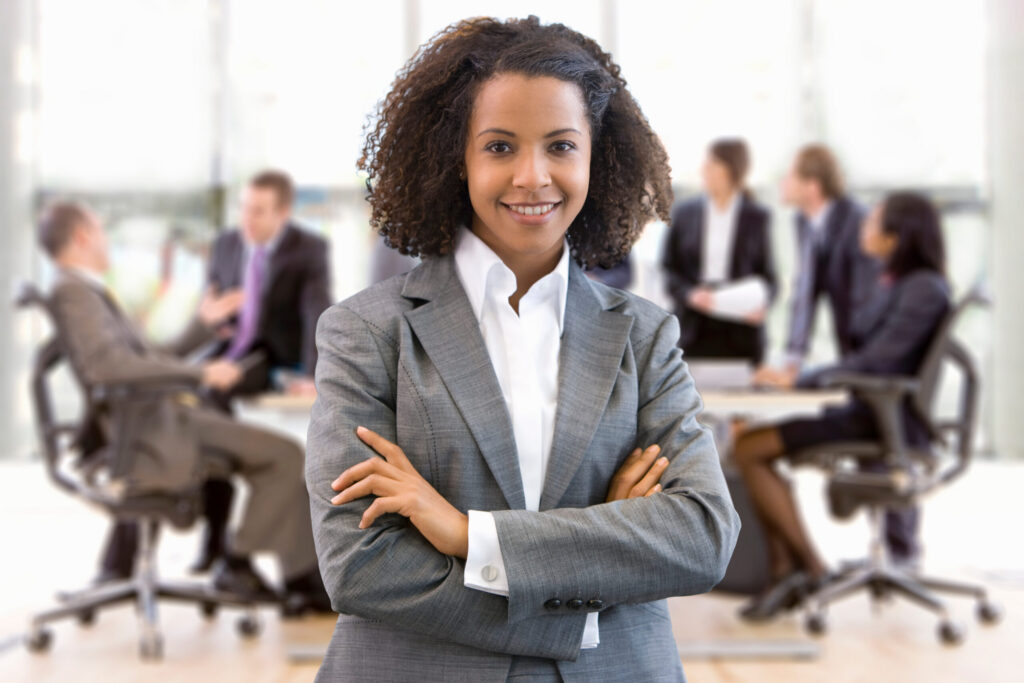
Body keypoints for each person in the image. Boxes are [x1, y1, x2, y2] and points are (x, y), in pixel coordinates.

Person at [305, 16, 740, 682]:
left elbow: (701, 536)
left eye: (561, 146)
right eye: (501, 146)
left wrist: (467, 535)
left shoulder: (645, 336)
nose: (533, 176)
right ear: (458, 158)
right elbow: (360, 565)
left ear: (597, 156)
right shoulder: (367, 332)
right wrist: (593, 571)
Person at [38, 201, 330, 613]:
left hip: (158, 420)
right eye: (100, 231)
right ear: (83, 237)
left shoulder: (85, 290)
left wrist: (202, 325)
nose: (106, 240)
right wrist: (201, 375)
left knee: (277, 454)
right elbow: (110, 366)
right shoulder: (73, 291)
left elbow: (149, 356)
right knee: (282, 455)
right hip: (154, 431)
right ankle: (241, 562)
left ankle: (293, 575)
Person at [732, 192, 950, 621]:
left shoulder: (923, 288)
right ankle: (785, 572)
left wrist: (800, 379)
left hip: (880, 423)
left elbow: (876, 361)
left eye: (873, 224)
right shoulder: (900, 282)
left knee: (750, 448)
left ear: (896, 236)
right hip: (866, 414)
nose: (863, 230)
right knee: (749, 443)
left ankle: (807, 570)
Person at [755, 144, 921, 566]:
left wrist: (838, 372)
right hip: (856, 356)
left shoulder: (858, 223)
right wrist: (793, 357)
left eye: (790, 175)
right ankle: (884, 552)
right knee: (877, 441)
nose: (783, 184)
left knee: (886, 438)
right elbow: (805, 293)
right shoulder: (805, 222)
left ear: (812, 185)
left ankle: (901, 551)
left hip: (874, 357)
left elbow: (872, 307)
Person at [193, 169, 332, 572]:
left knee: (216, 404)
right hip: (226, 346)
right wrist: (212, 319)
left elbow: (315, 311)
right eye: (244, 209)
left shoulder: (308, 249)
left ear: (283, 213)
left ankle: (224, 541)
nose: (247, 221)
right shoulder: (226, 244)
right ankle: (214, 535)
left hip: (267, 354)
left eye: (258, 212)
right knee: (187, 391)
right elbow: (212, 308)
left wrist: (313, 371)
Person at [662, 138, 777, 365]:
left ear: (731, 170)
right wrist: (690, 294)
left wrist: (763, 304)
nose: (704, 169)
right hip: (694, 326)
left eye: (712, 163)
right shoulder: (683, 213)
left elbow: (769, 278)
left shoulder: (757, 217)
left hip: (741, 328)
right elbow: (668, 270)